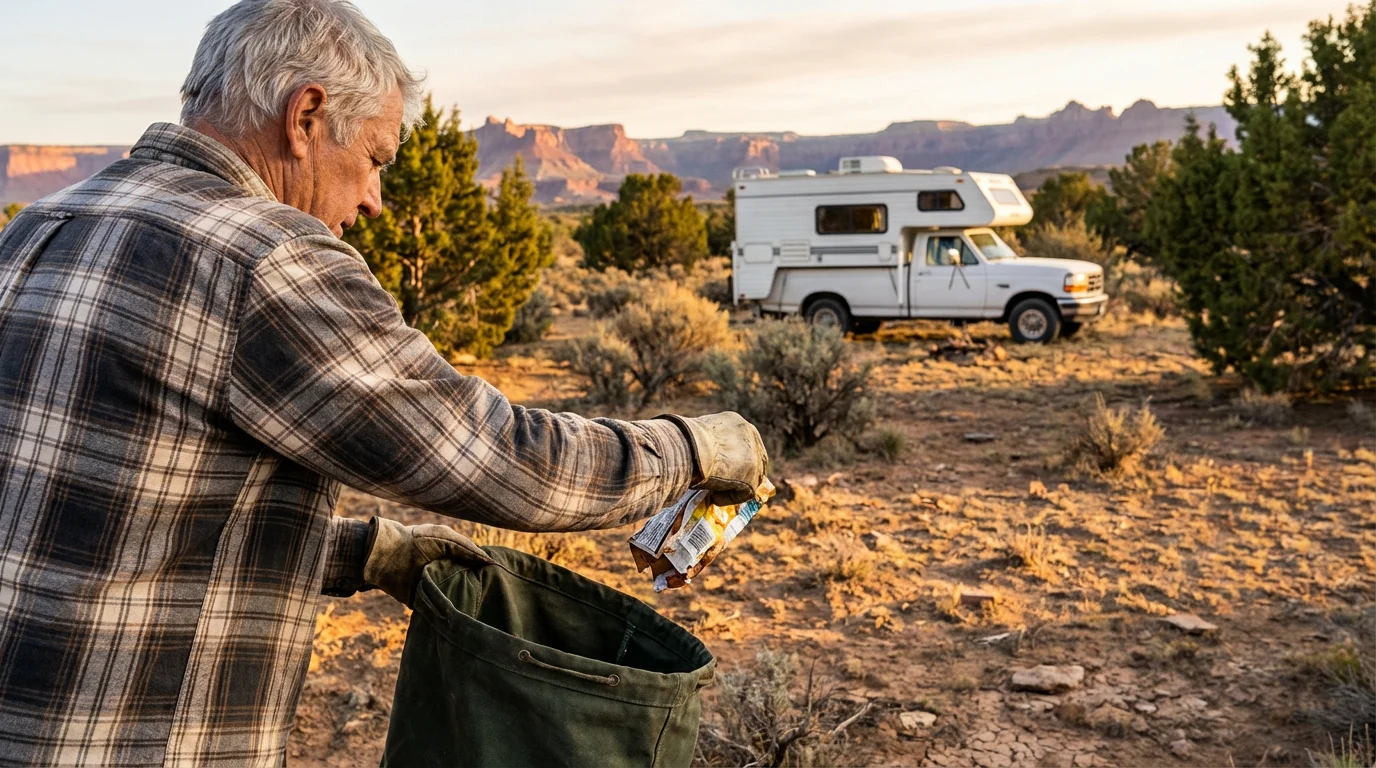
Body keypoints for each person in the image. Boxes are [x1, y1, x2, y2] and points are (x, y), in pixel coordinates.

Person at [0, 1, 768, 765]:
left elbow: (90, 505)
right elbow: (501, 461)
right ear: (306, 116)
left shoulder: (43, 223)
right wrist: (692, 450)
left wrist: (365, 552)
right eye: (375, 157)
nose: (374, 199)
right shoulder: (268, 256)